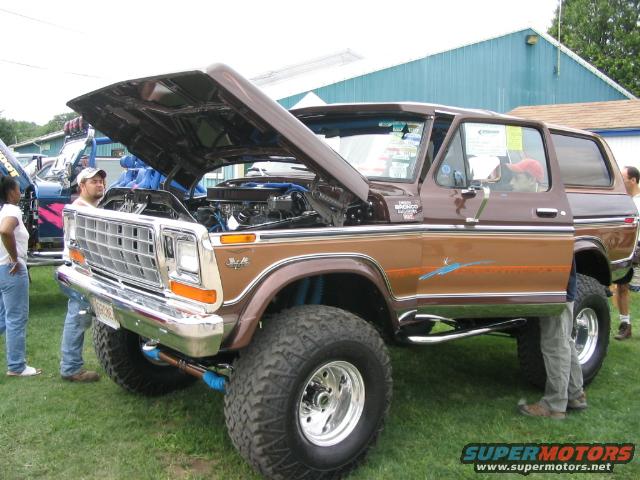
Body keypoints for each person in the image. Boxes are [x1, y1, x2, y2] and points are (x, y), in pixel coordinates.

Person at [519, 260, 586, 419]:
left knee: (555, 343)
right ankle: (575, 394)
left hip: (556, 286)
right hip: (561, 284)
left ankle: (554, 405)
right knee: (563, 339)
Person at [60, 167, 106, 382]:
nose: (99, 184)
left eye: (100, 181)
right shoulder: (80, 210)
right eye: (93, 181)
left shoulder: (89, 208)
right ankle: (71, 368)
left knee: (80, 318)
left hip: (84, 271)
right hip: (81, 271)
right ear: (81, 186)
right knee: (77, 319)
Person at [0, 175, 41, 377]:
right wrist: (15, 258)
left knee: (2, 318)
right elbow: (5, 231)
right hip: (12, 269)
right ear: (10, 192)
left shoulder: (2, 210)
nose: (20, 193)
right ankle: (17, 366)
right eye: (18, 189)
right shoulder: (12, 210)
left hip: (1, 269)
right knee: (16, 318)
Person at [612, 165, 640, 340]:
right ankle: (625, 325)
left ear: (633, 180)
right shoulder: (624, 201)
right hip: (628, 248)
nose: (619, 181)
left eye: (623, 178)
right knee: (622, 286)